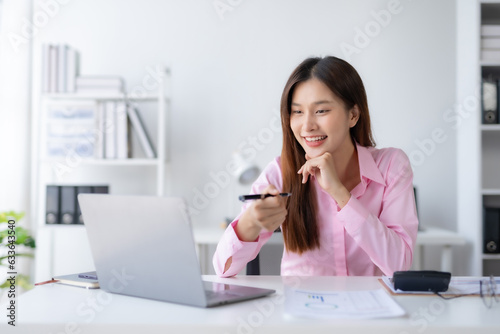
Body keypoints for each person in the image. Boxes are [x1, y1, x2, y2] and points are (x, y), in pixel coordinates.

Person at [213, 56, 418, 277]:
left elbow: (399, 266)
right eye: (297, 112)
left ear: (353, 115)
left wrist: (340, 194)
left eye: (321, 111)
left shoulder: (391, 165)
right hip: (303, 306)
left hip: (371, 306)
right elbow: (223, 269)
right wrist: (250, 223)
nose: (307, 126)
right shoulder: (281, 172)